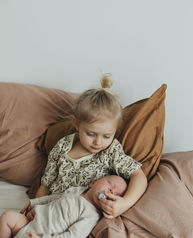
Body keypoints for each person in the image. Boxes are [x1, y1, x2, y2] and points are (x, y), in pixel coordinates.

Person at [21, 73, 147, 220]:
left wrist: (125, 203)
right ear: (76, 124)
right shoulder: (62, 147)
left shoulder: (110, 152)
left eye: (107, 136)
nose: (98, 142)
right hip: (51, 212)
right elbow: (45, 185)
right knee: (9, 220)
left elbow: (138, 176)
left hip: (79, 218)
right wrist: (36, 207)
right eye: (91, 134)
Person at [0, 175, 127, 238]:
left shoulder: (92, 215)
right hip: (29, 223)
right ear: (93, 182)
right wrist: (34, 203)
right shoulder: (76, 190)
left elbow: (72, 236)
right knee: (8, 216)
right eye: (110, 183)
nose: (111, 191)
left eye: (116, 195)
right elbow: (54, 198)